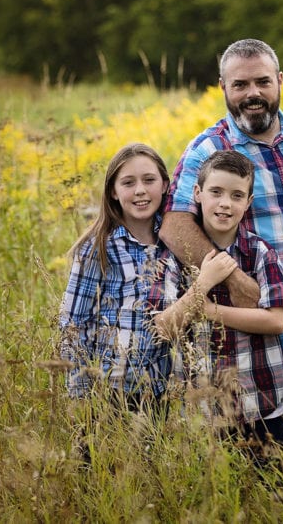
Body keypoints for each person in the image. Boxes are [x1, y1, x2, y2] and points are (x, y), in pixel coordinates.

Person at [159, 38, 283, 447]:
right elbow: (175, 225)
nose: (253, 94)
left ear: (280, 81)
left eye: (263, 82)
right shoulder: (208, 149)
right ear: (223, 88)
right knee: (261, 468)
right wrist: (234, 279)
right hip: (255, 352)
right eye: (240, 84)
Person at [152, 150, 283, 448]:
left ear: (248, 202)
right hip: (199, 411)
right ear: (198, 193)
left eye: (236, 195)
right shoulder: (175, 260)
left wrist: (208, 310)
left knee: (264, 491)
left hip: (260, 404)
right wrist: (203, 282)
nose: (225, 204)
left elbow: (276, 320)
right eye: (215, 192)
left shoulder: (260, 254)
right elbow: (163, 328)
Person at [58, 142, 172, 411]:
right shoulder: (98, 247)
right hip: (112, 390)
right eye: (128, 182)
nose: (140, 190)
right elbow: (73, 324)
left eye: (149, 180)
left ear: (165, 184)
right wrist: (81, 399)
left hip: (162, 388)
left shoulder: (173, 240)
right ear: (113, 191)